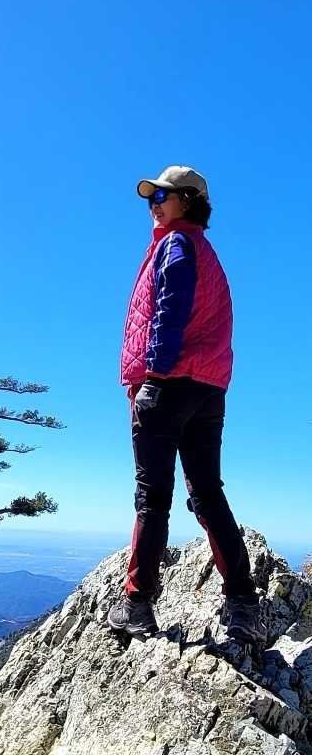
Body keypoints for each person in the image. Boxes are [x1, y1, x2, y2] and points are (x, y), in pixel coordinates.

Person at [107, 164, 265, 644]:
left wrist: (153, 378)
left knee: (153, 498)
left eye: (162, 195)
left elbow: (168, 312)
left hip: (168, 387)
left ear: (189, 201)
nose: (153, 204)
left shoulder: (175, 246)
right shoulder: (206, 253)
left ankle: (137, 603)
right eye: (150, 197)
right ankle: (243, 604)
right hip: (208, 391)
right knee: (208, 493)